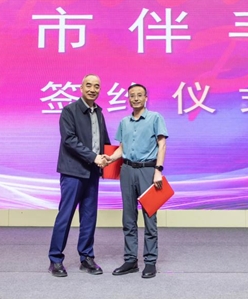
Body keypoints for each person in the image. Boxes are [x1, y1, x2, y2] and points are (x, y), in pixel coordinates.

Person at [48, 74, 111, 277]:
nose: (93, 89)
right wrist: (94, 157)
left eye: (97, 86)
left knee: (89, 217)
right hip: (73, 172)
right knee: (65, 216)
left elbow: (104, 141)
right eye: (89, 85)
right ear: (81, 88)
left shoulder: (98, 112)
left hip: (92, 172)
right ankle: (55, 260)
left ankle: (86, 257)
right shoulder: (69, 110)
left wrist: (109, 159)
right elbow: (69, 140)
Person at [106, 83, 168, 279]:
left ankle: (150, 262)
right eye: (132, 95)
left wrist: (158, 171)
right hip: (127, 170)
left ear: (146, 98)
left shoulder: (155, 118)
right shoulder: (124, 122)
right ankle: (131, 260)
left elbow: (162, 144)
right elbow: (122, 148)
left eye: (139, 95)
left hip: (148, 171)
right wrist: (110, 159)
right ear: (128, 98)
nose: (135, 98)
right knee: (128, 217)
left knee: (150, 217)